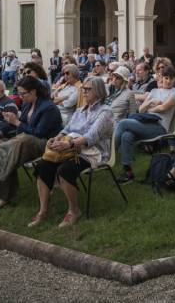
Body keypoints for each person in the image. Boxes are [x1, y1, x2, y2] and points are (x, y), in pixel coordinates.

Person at [30, 77, 114, 228]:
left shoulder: (105, 112)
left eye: (88, 89)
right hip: (70, 149)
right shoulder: (80, 110)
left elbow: (92, 136)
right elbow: (66, 129)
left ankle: (74, 211)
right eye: (83, 89)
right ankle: (43, 210)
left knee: (65, 170)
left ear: (98, 92)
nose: (84, 92)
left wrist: (68, 144)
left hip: (93, 152)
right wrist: (55, 139)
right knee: (43, 165)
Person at [0, 77, 63, 212]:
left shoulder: (49, 107)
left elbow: (39, 133)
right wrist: (11, 120)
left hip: (47, 144)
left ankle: (1, 146)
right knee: (7, 152)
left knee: (21, 142)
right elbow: (21, 128)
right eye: (19, 93)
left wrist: (17, 123)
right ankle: (5, 197)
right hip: (25, 143)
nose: (20, 97)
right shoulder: (27, 105)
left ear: (33, 92)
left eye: (23, 94)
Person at [114, 68, 175, 183]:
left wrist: (151, 108)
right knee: (126, 135)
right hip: (145, 123)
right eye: (166, 78)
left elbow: (163, 108)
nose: (168, 81)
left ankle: (109, 153)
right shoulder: (154, 91)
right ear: (162, 78)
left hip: (160, 127)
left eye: (171, 78)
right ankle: (128, 172)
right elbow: (140, 109)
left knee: (123, 123)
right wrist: (150, 102)